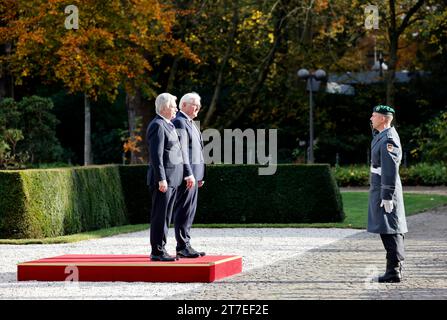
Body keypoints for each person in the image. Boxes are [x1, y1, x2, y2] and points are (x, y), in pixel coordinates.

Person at [146, 93, 195, 261]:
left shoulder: (168, 125)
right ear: (165, 107)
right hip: (164, 180)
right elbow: (156, 156)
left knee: (166, 216)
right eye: (174, 105)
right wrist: (161, 179)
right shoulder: (157, 126)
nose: (175, 108)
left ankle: (161, 249)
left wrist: (186, 174)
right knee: (160, 216)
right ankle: (157, 251)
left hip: (172, 180)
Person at [368, 105, 408, 283]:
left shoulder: (388, 139)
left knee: (391, 229)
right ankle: (394, 268)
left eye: (374, 116)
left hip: (386, 189)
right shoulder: (382, 136)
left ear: (383, 118)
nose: (371, 118)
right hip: (380, 187)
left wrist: (387, 195)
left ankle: (393, 270)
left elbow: (390, 169)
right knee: (388, 228)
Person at [172, 92, 206, 258]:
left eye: (199, 105)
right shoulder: (179, 121)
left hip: (194, 175)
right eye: (194, 104)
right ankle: (182, 246)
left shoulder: (191, 122)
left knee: (190, 211)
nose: (198, 108)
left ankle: (186, 244)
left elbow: (197, 151)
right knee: (183, 210)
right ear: (183, 105)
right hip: (187, 176)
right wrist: (188, 174)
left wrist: (200, 175)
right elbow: (181, 152)